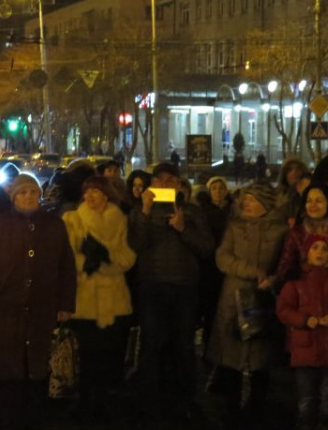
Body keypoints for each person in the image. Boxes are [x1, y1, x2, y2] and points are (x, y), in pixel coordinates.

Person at [0, 173, 76, 429]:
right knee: (8, 368)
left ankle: (34, 418)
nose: (28, 196)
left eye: (32, 192)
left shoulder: (54, 224)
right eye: (22, 192)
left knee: (37, 367)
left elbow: (66, 266)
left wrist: (65, 304)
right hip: (6, 306)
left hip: (42, 306)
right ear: (14, 196)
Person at [128, 162, 214, 420]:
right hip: (151, 285)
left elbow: (207, 248)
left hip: (184, 286)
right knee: (151, 345)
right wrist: (144, 210)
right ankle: (148, 403)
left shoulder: (192, 211)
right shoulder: (139, 211)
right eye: (159, 180)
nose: (164, 185)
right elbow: (136, 245)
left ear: (178, 184)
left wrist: (183, 227)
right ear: (151, 184)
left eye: (170, 180)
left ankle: (185, 400)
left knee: (184, 346)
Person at [207, 183, 287, 426]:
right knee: (230, 354)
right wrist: (252, 271)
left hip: (263, 297)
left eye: (252, 200)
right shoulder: (234, 226)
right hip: (233, 296)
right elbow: (222, 257)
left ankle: (258, 408)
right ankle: (231, 408)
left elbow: (285, 262)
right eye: (245, 200)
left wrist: (273, 278)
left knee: (260, 359)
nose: (247, 205)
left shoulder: (281, 231)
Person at [61, 176, 136, 420]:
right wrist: (86, 262)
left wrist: (106, 259)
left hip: (113, 297)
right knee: (87, 353)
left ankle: (103, 400)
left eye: (96, 191)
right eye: (87, 191)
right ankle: (84, 400)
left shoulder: (119, 219)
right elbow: (66, 257)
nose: (91, 196)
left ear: (106, 194)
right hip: (85, 297)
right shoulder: (72, 220)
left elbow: (127, 257)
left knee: (109, 353)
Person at [277, 234, 328, 430]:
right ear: (306, 252)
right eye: (315, 248)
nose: (320, 253)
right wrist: (304, 320)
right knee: (306, 397)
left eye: (324, 249)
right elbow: (283, 309)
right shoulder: (295, 282)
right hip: (305, 349)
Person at [196, 176, 232, 351]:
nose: (218, 192)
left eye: (221, 188)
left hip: (227, 266)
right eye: (214, 188)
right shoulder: (203, 211)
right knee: (210, 306)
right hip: (209, 265)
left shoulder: (233, 211)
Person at [276, 158, 310, 224]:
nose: (294, 173)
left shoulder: (311, 193)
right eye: (289, 170)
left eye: (298, 169)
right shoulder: (278, 194)